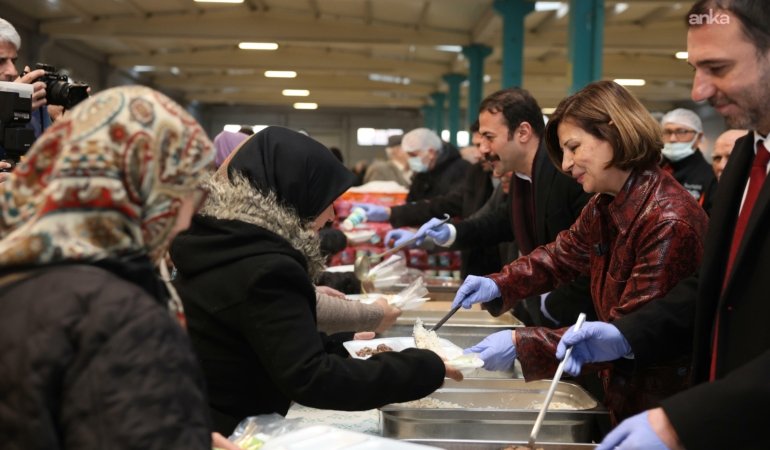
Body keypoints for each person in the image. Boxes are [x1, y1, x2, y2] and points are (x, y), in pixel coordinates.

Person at [555, 1, 770, 448]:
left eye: (717, 68)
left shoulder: (671, 208)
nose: (698, 91)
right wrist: (624, 335)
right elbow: (710, 287)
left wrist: (686, 419)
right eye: (695, 69)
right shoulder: (745, 159)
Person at [169, 126, 461, 434]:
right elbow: (312, 378)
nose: (333, 215)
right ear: (298, 193)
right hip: (226, 430)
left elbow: (262, 337)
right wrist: (422, 368)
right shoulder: (266, 266)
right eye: (327, 200)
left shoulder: (230, 243)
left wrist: (339, 344)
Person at [450, 80, 709, 424]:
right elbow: (560, 256)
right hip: (621, 389)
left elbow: (631, 329)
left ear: (613, 133)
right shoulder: (605, 203)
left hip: (657, 403)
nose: (567, 164)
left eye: (574, 147)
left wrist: (522, 343)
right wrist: (499, 283)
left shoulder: (667, 219)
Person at [0, 85, 216, 448]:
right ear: (141, 187)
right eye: (183, 195)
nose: (185, 221)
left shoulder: (16, 277)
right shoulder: (123, 316)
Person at [387, 88, 596, 329]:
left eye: (489, 137)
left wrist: (551, 306)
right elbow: (501, 221)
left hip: (575, 319)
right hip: (540, 310)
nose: (483, 149)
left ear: (523, 132)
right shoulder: (520, 176)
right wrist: (451, 232)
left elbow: (587, 254)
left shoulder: (566, 175)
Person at [356, 123, 500, 277]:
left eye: (413, 155)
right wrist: (391, 213)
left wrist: (441, 234)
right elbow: (443, 205)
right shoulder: (476, 172)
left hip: (488, 258)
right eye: (477, 145)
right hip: (470, 255)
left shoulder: (462, 171)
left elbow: (487, 221)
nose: (479, 153)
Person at [660, 108, 717, 212]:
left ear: (699, 137)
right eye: (667, 132)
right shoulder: (654, 169)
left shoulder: (711, 177)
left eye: (681, 132)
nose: (672, 139)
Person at [402, 127, 470, 202]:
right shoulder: (422, 173)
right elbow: (411, 201)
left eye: (413, 155)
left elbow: (452, 203)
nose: (410, 160)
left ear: (431, 152)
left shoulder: (461, 169)